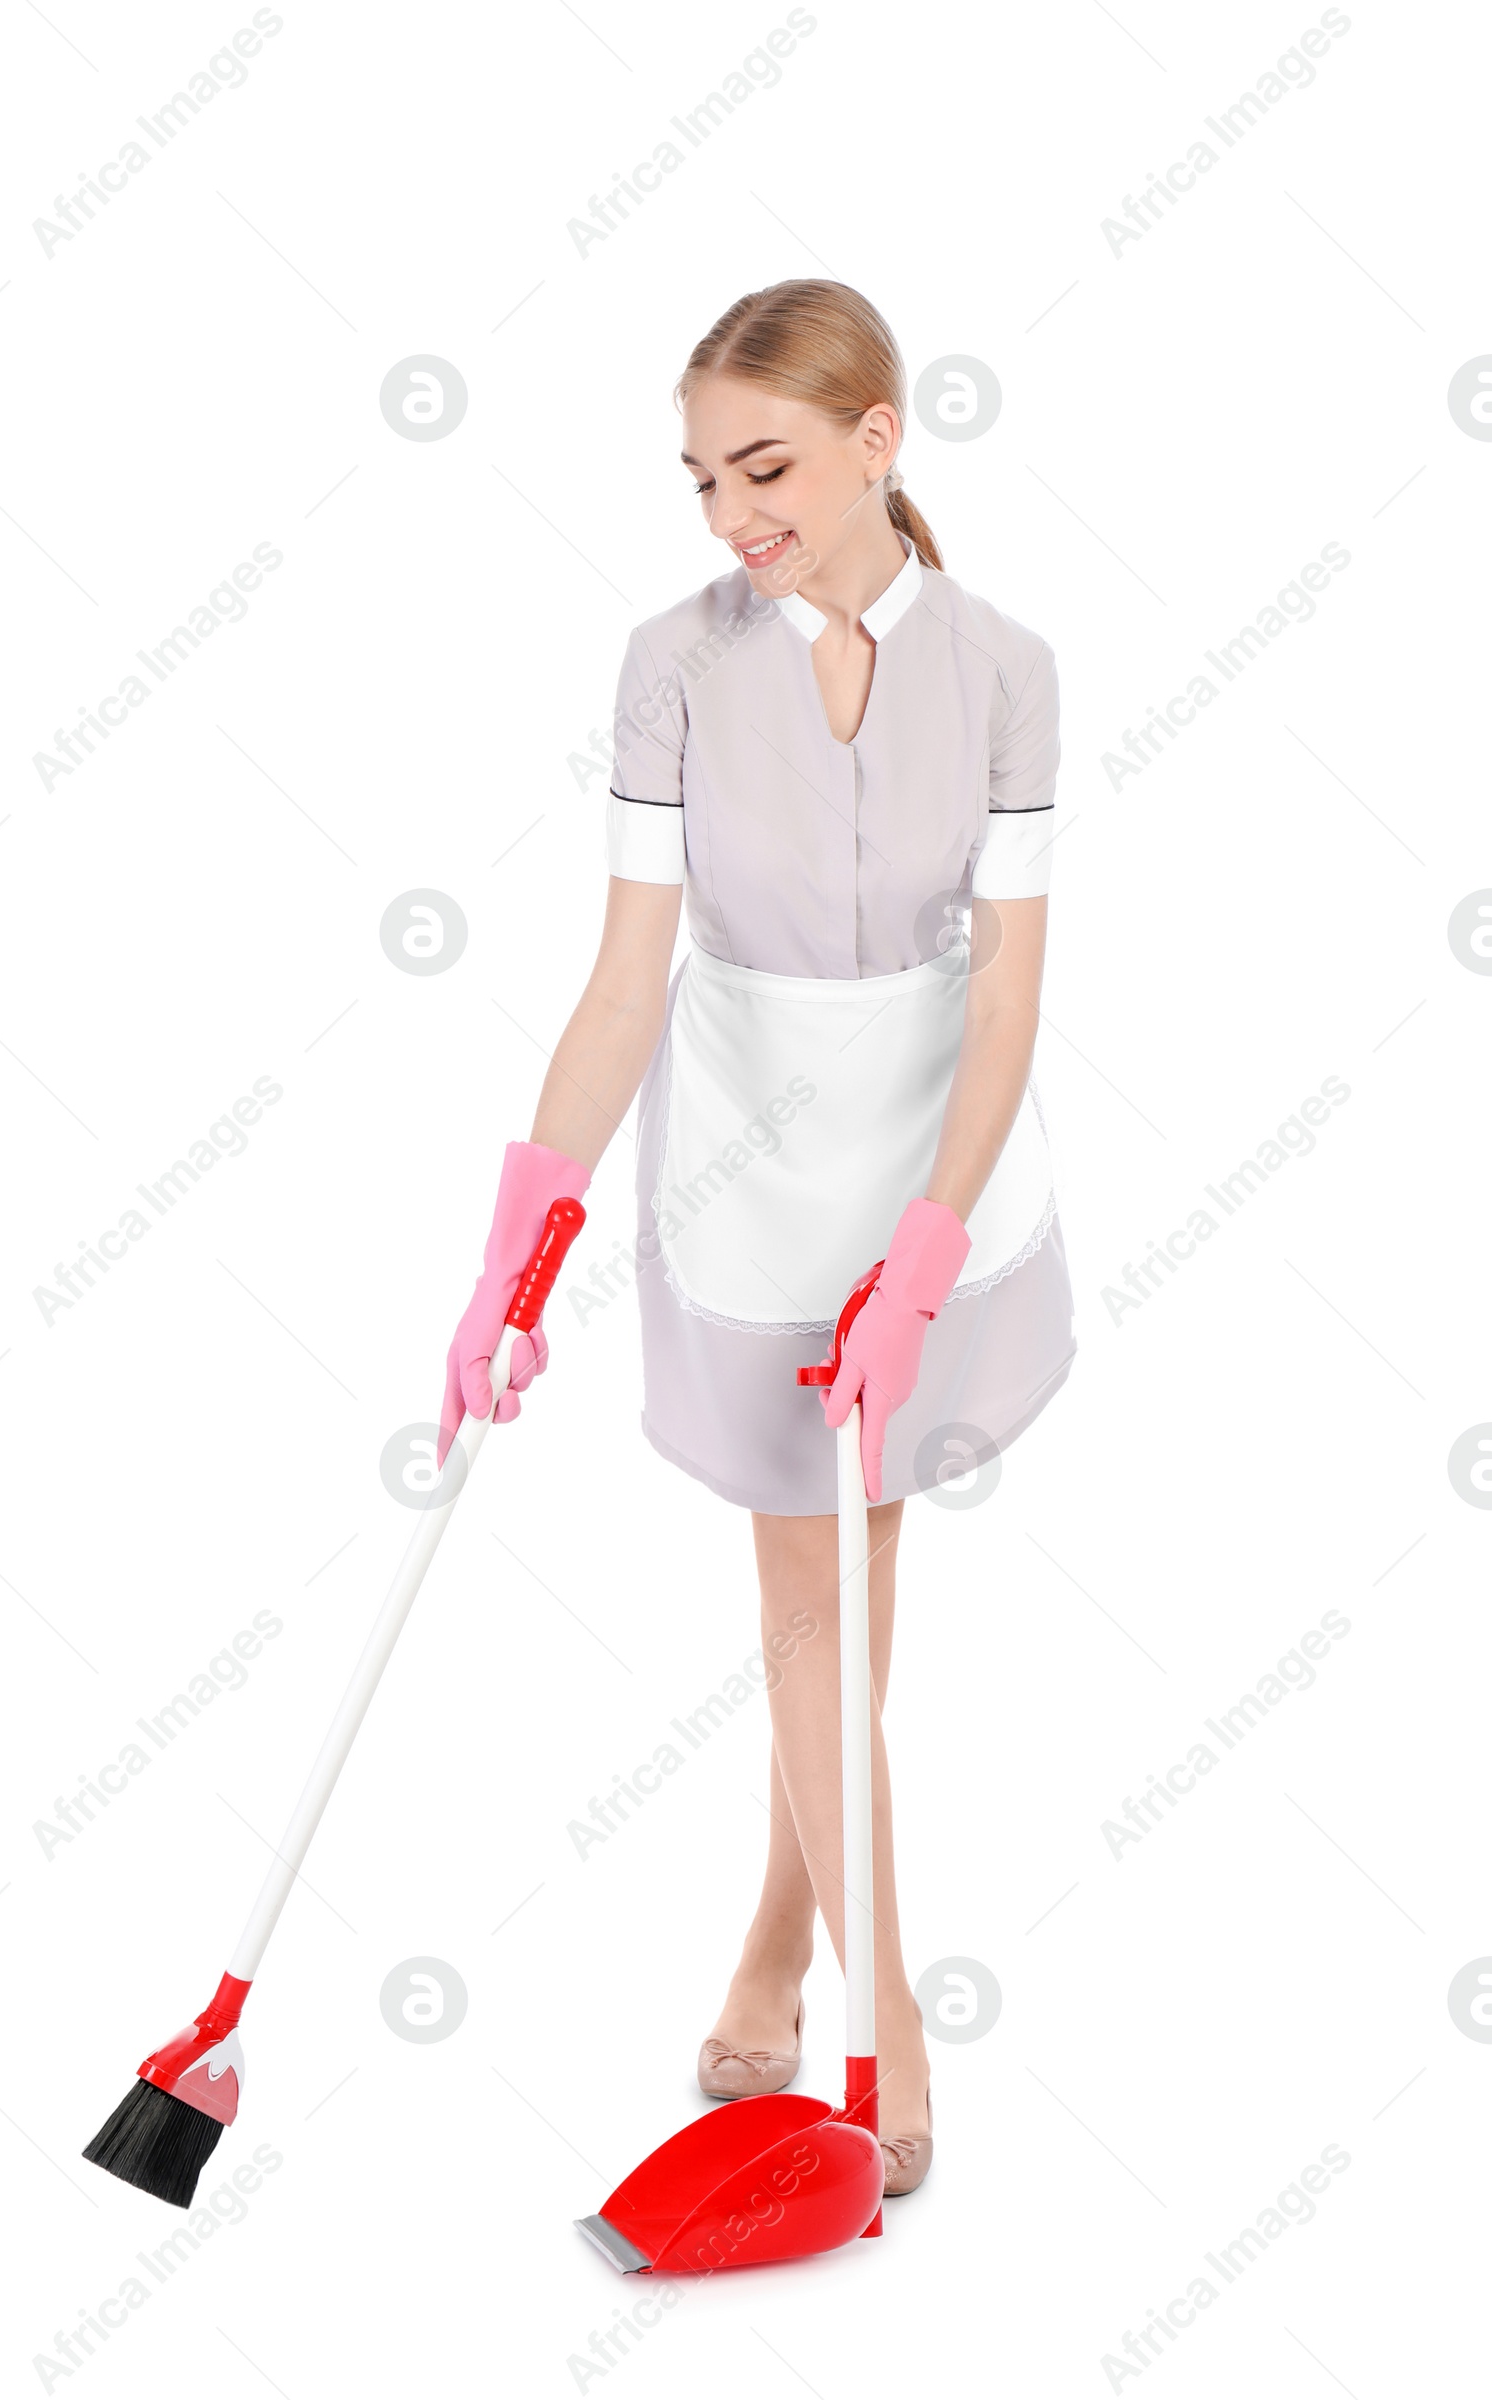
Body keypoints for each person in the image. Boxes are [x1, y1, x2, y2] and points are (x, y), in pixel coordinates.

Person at [438, 279, 1075, 2197]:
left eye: (768, 465)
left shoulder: (1011, 666)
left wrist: (930, 1254)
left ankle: (783, 1948)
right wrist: (517, 1237)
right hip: (750, 1158)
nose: (731, 515)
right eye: (705, 477)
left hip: (937, 1149)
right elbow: (627, 982)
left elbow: (1016, 993)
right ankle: (889, 2025)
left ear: (884, 436)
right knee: (807, 1602)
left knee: (848, 1604)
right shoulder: (671, 666)